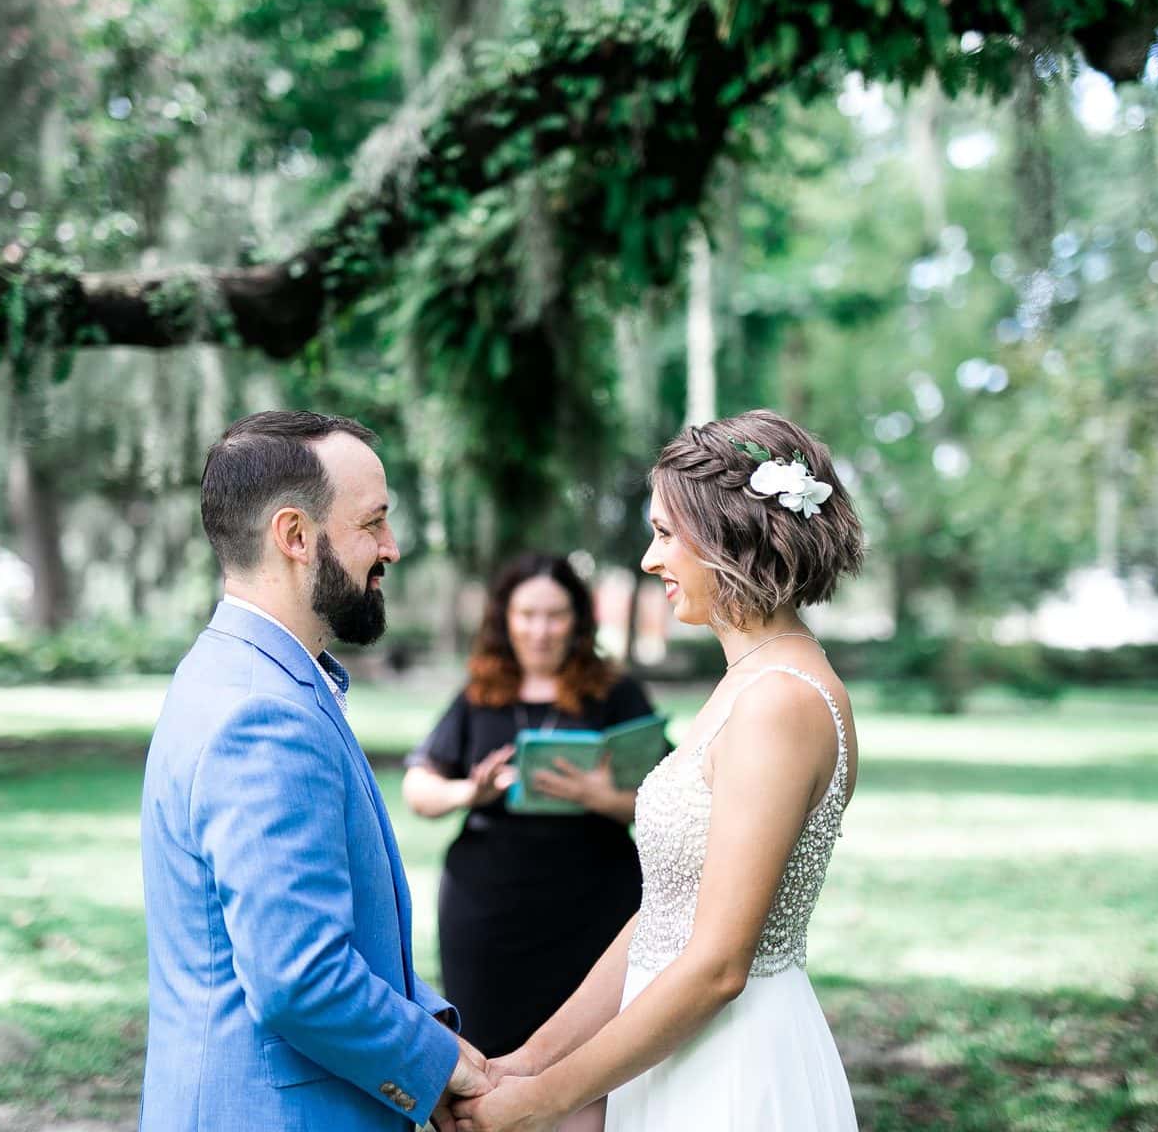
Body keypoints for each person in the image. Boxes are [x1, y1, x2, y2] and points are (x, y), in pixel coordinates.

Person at [451, 409, 866, 1132]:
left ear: (729, 536)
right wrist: (528, 1060)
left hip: (733, 1070)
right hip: (668, 1055)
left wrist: (544, 1104)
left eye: (665, 534)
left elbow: (716, 966)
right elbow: (666, 918)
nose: (650, 559)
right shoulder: (746, 683)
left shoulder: (781, 703)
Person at [139, 410, 491, 1132]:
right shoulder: (260, 715)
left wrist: (435, 1034)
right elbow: (299, 980)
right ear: (296, 537)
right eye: (373, 523)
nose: (391, 547)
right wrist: (435, 1064)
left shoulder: (235, 674)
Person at [403, 553, 657, 1132]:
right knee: (490, 1056)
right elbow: (420, 788)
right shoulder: (480, 694)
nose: (540, 630)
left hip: (595, 907)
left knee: (590, 1061)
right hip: (490, 911)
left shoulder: (615, 693)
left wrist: (598, 794)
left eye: (555, 616)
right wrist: (472, 790)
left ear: (578, 621)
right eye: (527, 615)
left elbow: (664, 806)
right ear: (505, 619)